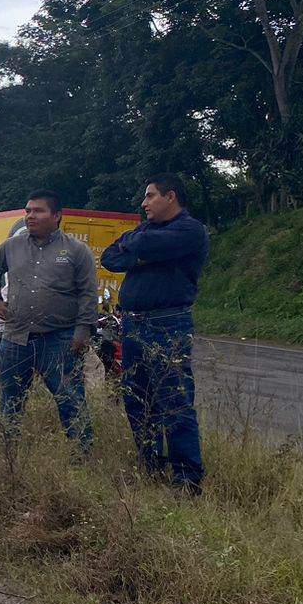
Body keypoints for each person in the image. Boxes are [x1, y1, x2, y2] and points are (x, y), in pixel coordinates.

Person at [101, 174, 211, 493]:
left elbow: (140, 245)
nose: (144, 203)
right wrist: (141, 247)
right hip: (133, 324)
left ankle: (187, 477)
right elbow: (110, 258)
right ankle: (150, 466)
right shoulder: (149, 230)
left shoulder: (191, 230)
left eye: (150, 196)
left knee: (173, 399)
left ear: (171, 197)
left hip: (168, 323)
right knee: (137, 399)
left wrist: (137, 245)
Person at [0, 191, 98, 446]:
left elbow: (89, 294)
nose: (30, 216)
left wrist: (82, 333)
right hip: (16, 339)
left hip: (60, 340)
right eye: (27, 211)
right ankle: (8, 454)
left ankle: (82, 457)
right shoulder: (11, 246)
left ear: (56, 216)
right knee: (10, 403)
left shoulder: (76, 251)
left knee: (71, 401)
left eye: (38, 211)